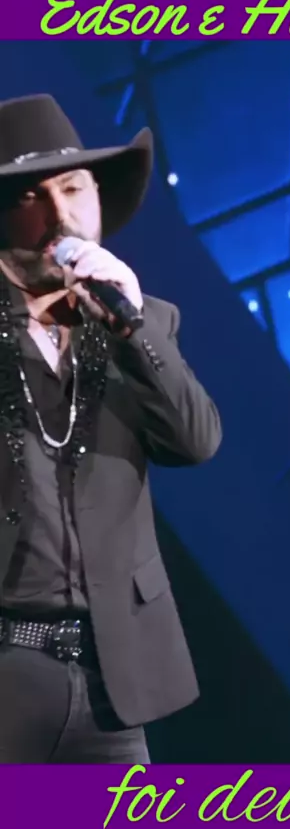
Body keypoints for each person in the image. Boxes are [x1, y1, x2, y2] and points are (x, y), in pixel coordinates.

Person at [0, 93, 222, 763]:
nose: (61, 215)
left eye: (73, 188)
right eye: (33, 196)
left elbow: (196, 441)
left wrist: (132, 330)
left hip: (110, 679)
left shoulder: (143, 324)